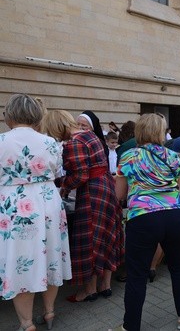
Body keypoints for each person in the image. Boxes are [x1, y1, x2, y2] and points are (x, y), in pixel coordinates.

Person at [113, 113, 180, 331]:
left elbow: (120, 194)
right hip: (175, 215)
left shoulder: (128, 157)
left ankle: (130, 326)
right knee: (179, 268)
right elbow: (177, 189)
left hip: (143, 217)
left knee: (136, 275)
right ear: (162, 131)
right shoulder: (174, 157)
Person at [1, 94, 72, 331]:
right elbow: (57, 171)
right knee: (50, 255)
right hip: (47, 202)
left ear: (9, 114)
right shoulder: (51, 142)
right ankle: (50, 312)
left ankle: (27, 323)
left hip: (14, 205)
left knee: (19, 260)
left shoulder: (1, 141)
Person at [42, 110, 124, 303]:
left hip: (92, 192)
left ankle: (89, 290)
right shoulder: (89, 135)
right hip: (106, 186)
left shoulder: (74, 142)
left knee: (91, 238)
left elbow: (80, 176)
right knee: (106, 234)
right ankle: (105, 285)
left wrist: (62, 184)